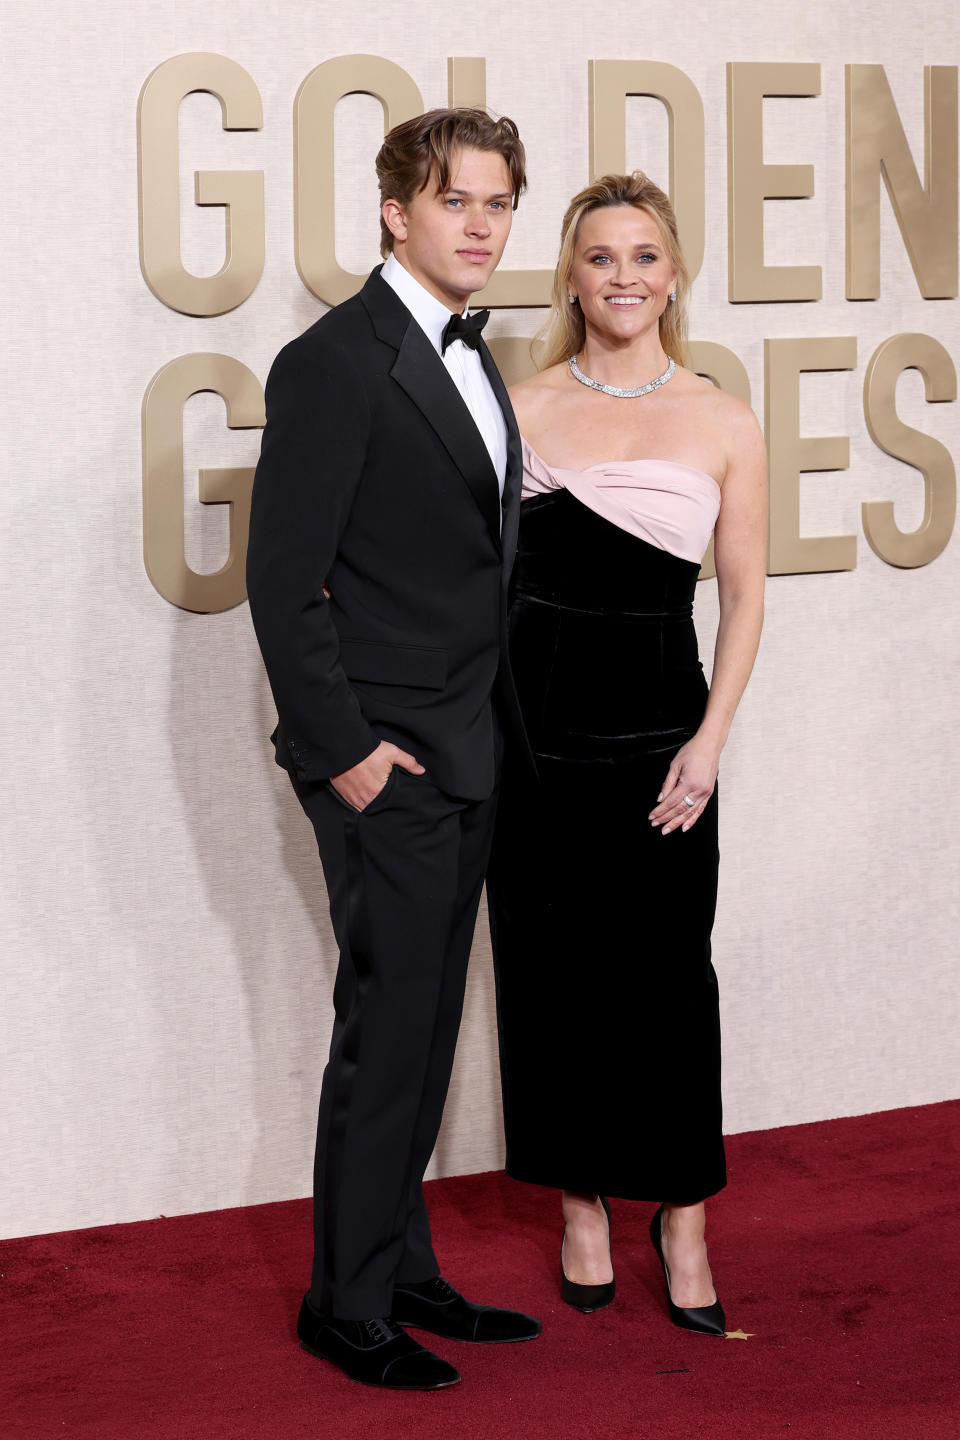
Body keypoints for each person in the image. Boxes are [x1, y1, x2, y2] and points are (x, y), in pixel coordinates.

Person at [246, 108, 542, 1391]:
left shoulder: (476, 354)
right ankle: (343, 1303)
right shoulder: (335, 362)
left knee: (425, 1029)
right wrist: (351, 753)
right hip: (385, 762)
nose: (481, 225)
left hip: (468, 749)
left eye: (497, 203)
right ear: (396, 212)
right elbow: (281, 585)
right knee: (387, 1024)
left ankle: (401, 1267)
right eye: (457, 201)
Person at [487, 172, 767, 1336]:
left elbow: (747, 596)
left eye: (644, 257)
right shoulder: (518, 402)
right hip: (532, 739)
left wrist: (709, 745)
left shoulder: (721, 415)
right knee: (552, 979)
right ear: (570, 273)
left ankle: (684, 1213)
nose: (623, 278)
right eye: (601, 257)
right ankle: (583, 1203)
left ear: (673, 274)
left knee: (666, 982)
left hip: (661, 734)